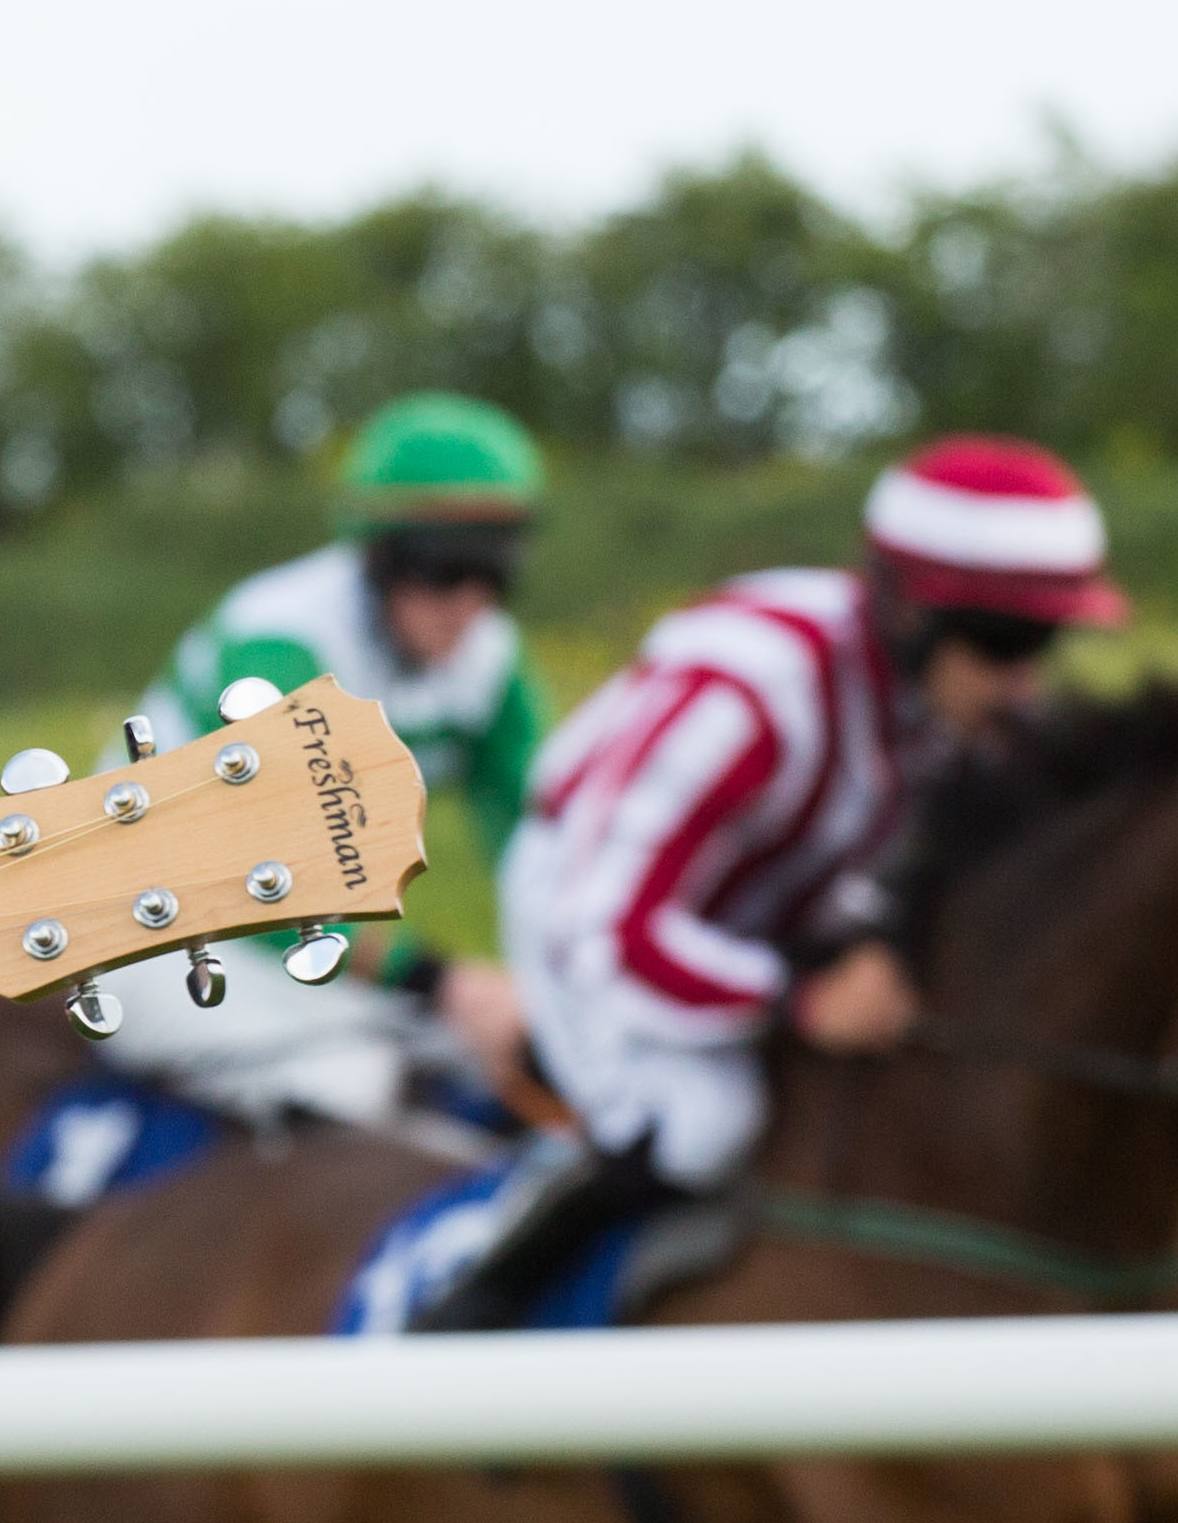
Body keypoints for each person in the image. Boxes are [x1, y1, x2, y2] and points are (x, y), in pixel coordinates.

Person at [426, 432, 1120, 1325]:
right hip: (590, 914)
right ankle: (468, 1306)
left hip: (757, 908)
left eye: (1046, 642)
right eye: (1001, 641)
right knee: (705, 1121)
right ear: (907, 612)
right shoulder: (749, 692)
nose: (1024, 682)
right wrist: (799, 1002)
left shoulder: (940, 693)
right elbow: (610, 930)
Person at [80, 393, 546, 1131]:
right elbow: (257, 883)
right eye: (442, 571)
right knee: (347, 1087)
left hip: (288, 942)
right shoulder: (278, 644)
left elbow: (540, 840)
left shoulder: (488, 655)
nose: (468, 603)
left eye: (493, 575)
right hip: (143, 921)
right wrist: (442, 981)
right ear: (375, 557)